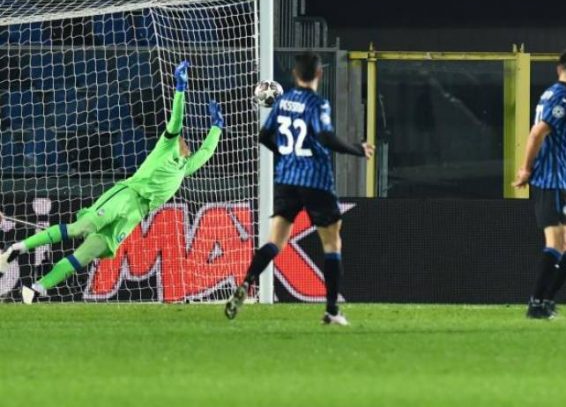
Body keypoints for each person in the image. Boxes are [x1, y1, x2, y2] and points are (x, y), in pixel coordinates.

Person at [0, 60, 224, 303]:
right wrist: (180, 89)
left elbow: (205, 154)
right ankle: (17, 248)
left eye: (186, 142)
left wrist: (217, 128)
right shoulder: (167, 146)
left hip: (135, 213)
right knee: (79, 229)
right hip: (126, 195)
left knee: (84, 255)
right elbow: (176, 120)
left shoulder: (183, 167)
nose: (185, 141)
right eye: (183, 139)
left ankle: (35, 289)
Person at [225, 52, 374, 325]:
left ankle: (246, 283)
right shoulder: (317, 104)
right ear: (319, 74)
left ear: (294, 75)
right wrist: (357, 149)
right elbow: (326, 136)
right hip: (315, 180)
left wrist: (284, 156)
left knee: (275, 241)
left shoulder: (283, 101)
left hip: (287, 179)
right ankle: (331, 310)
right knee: (332, 243)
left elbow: (264, 136)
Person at [514, 48, 566, 319]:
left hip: (563, 180)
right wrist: (526, 169)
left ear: (559, 68)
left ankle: (546, 301)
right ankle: (537, 303)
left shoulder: (550, 94)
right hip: (551, 179)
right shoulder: (563, 98)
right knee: (556, 242)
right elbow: (537, 133)